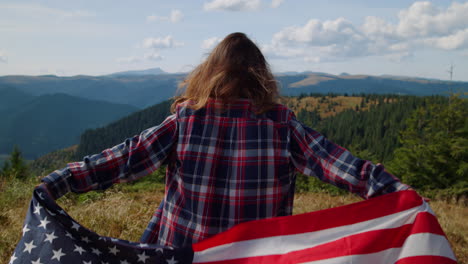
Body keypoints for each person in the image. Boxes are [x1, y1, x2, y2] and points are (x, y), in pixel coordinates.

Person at [41, 32, 410, 248]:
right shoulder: (283, 127)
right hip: (252, 258)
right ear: (262, 76)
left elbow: (124, 159)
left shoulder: (184, 122)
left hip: (179, 254)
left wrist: (63, 179)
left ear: (209, 72)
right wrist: (397, 191)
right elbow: (343, 166)